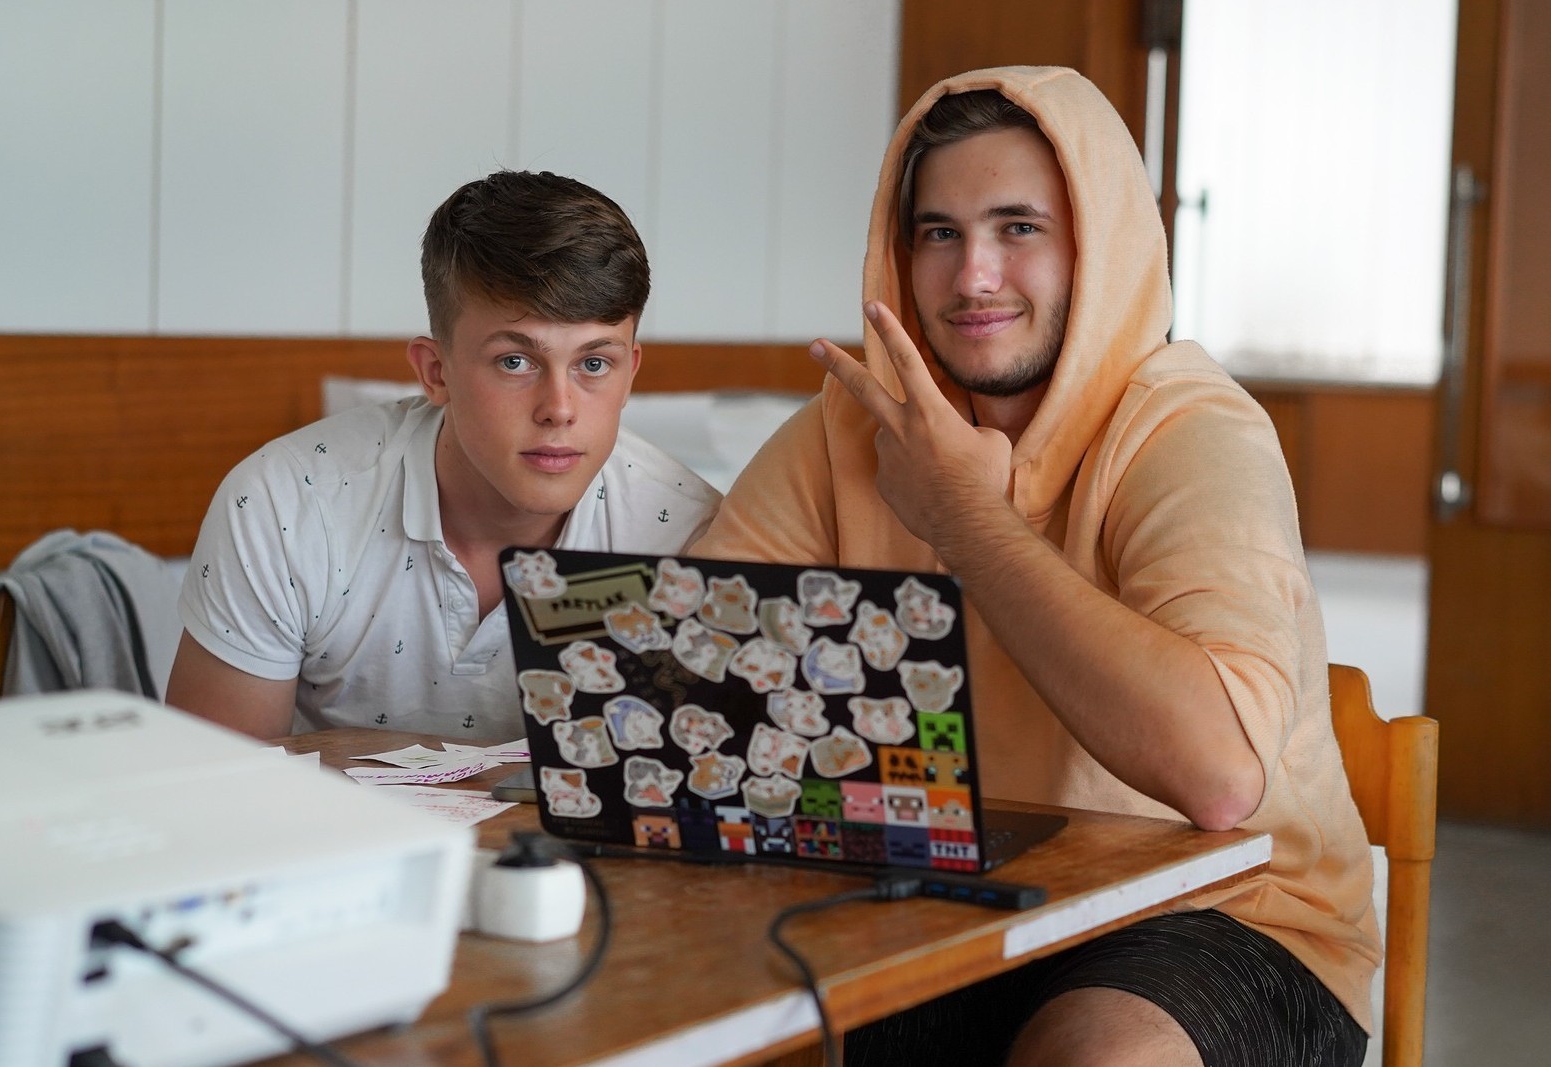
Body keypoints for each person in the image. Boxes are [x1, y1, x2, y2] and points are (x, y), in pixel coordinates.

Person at [692, 67, 1379, 1066]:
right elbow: (685, 681)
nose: (973, 276)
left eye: (1018, 228)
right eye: (939, 233)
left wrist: (966, 520)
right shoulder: (851, 427)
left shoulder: (1189, 429)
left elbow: (1219, 775)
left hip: (1227, 910)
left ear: (1097, 247)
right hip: (939, 900)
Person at [165, 171, 720, 744]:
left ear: (630, 374)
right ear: (436, 371)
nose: (559, 409)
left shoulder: (690, 539)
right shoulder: (284, 504)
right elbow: (213, 781)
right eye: (514, 362)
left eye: (594, 364)